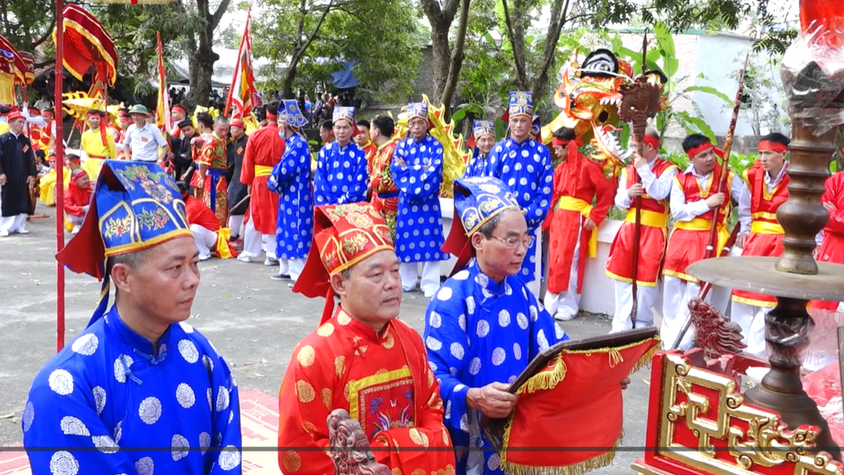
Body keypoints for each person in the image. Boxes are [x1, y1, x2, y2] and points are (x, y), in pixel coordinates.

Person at [24, 160, 242, 474]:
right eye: (175, 267)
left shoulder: (203, 355)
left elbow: (227, 457)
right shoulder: (65, 386)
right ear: (123, 277)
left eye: (195, 263)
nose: (193, 279)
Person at [425, 176, 593, 475]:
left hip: (514, 430)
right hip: (470, 438)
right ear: (478, 240)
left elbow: (557, 348)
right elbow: (431, 376)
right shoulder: (452, 297)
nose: (521, 250)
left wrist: (599, 371)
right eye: (511, 240)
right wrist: (474, 396)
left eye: (526, 240)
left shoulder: (521, 292)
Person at [278, 202, 455, 475]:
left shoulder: (409, 339)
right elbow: (299, 454)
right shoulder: (314, 356)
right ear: (340, 283)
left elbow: (432, 411)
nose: (392, 283)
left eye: (395, 271)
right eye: (376, 274)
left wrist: (382, 455)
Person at [662, 134, 750, 350]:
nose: (710, 158)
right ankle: (668, 339)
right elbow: (677, 212)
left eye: (711, 153)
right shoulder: (680, 179)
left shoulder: (728, 177)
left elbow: (747, 206)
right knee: (672, 289)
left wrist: (745, 230)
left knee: (697, 291)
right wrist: (707, 204)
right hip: (681, 240)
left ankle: (687, 342)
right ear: (691, 159)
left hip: (710, 239)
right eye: (703, 156)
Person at [605, 129, 677, 332]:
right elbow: (619, 202)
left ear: (649, 147)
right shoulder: (628, 171)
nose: (632, 151)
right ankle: (621, 324)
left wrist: (644, 170)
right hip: (630, 229)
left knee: (646, 281)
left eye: (635, 147)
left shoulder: (669, 169)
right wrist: (629, 193)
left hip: (654, 231)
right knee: (623, 276)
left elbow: (660, 192)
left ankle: (642, 323)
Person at [485, 92, 553, 290]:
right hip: (500, 222)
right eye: (514, 120)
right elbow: (488, 185)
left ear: (531, 122)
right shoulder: (498, 151)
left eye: (523, 120)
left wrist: (527, 214)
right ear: (509, 122)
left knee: (526, 270)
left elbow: (545, 190)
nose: (518, 125)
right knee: (499, 266)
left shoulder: (541, 153)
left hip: (529, 223)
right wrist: (499, 213)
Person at [730, 133, 790, 354]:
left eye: (769, 153)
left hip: (782, 243)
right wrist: (745, 231)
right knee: (744, 293)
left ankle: (760, 353)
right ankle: (738, 347)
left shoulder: (796, 177)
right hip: (756, 240)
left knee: (769, 298)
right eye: (761, 153)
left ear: (783, 154)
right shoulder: (752, 175)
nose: (763, 158)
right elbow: (745, 208)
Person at [544, 127, 612, 321]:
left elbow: (606, 192)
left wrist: (595, 216)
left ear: (569, 146)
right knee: (555, 260)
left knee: (572, 261)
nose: (555, 152)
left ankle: (569, 305)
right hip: (560, 218)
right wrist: (547, 219)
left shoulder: (588, 166)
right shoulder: (560, 168)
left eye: (558, 148)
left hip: (578, 219)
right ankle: (551, 303)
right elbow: (553, 195)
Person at [392, 101, 447, 298]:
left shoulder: (436, 146)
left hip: (428, 201)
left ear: (427, 124)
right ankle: (407, 281)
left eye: (420, 122)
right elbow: (396, 171)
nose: (416, 127)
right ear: (408, 125)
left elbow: (434, 173)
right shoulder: (401, 146)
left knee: (430, 240)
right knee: (407, 239)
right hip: (407, 202)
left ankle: (430, 282)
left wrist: (409, 170)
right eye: (413, 122)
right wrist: (419, 170)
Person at [268, 100, 312, 284]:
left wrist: (273, 178)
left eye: (280, 121)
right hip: (288, 193)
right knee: (285, 227)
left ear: (287, 124)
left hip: (297, 195)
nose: (278, 124)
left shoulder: (298, 143)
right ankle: (286, 269)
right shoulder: (291, 142)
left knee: (295, 229)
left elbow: (286, 168)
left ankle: (297, 272)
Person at [238, 104, 284, 265]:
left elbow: (248, 161)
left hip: (259, 180)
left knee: (254, 215)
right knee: (275, 215)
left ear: (267, 115)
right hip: (279, 180)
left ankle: (249, 251)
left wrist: (248, 182)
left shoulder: (256, 134)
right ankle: (272, 253)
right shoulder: (286, 135)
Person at [313, 107, 367, 205]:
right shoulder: (324, 151)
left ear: (352, 129)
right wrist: (333, 201)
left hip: (351, 207)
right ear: (333, 129)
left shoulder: (359, 154)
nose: (341, 131)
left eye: (345, 127)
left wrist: (344, 200)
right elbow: (320, 179)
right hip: (328, 206)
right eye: (338, 127)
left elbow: (359, 181)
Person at [0, 111, 36, 237]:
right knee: (7, 200)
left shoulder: (25, 140)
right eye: (19, 122)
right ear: (11, 123)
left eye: (23, 122)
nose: (22, 124)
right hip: (8, 175)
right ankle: (4, 227)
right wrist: (1, 173)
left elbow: (30, 158)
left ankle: (19, 226)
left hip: (22, 175)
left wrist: (31, 173)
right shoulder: (3, 139)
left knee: (22, 200)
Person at [180, 182, 237, 260]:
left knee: (192, 228)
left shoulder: (191, 206)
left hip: (213, 238)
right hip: (207, 235)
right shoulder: (187, 201)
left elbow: (182, 225)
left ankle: (204, 253)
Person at [813, 168, 844, 311]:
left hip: (833, 246)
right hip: (833, 251)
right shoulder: (835, 181)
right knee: (825, 308)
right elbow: (822, 216)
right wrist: (834, 216)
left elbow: (829, 217)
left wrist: (834, 213)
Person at [194, 115, 230, 227]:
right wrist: (203, 178)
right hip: (214, 180)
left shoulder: (221, 140)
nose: (224, 132)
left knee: (222, 209)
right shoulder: (212, 141)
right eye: (221, 130)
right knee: (216, 208)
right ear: (214, 127)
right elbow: (203, 163)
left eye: (226, 130)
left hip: (220, 179)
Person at [368, 114, 400, 237]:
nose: (370, 132)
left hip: (391, 201)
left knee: (391, 236)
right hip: (378, 199)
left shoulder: (394, 150)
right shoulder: (380, 150)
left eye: (371, 129)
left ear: (377, 132)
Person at [226, 119, 249, 242]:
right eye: (231, 129)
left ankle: (235, 233)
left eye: (233, 129)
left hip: (243, 176)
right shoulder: (235, 143)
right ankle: (232, 231)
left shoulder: (247, 141)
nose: (231, 131)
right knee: (233, 201)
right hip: (235, 176)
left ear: (241, 129)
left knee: (238, 202)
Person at [80, 109, 117, 180]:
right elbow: (85, 148)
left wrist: (112, 163)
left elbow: (113, 150)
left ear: (100, 120)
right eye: (93, 118)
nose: (95, 120)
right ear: (88, 120)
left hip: (102, 163)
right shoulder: (85, 135)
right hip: (89, 163)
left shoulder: (107, 133)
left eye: (97, 118)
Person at [64, 168, 93, 235]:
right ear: (75, 181)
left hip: (90, 216)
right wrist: (82, 209)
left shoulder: (91, 187)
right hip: (77, 217)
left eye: (87, 178)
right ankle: (77, 226)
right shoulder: (69, 192)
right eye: (84, 179)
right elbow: (67, 207)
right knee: (67, 210)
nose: (87, 181)